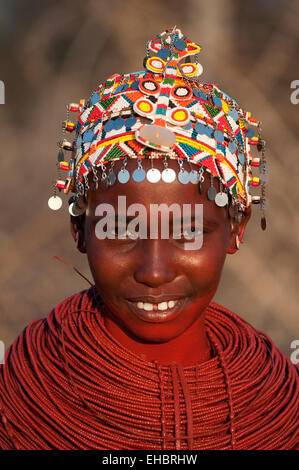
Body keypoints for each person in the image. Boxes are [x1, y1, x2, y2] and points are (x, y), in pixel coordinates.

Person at [0, 27, 298, 450]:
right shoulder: (22, 399)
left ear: (237, 228)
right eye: (121, 230)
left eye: (189, 232)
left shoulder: (278, 407)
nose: (154, 272)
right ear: (79, 232)